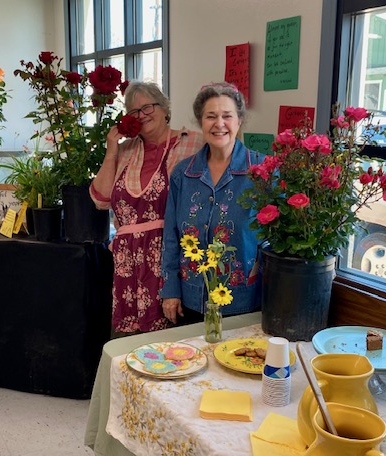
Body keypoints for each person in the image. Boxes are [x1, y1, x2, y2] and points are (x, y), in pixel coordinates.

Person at [89, 81, 204, 336]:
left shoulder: (195, 143)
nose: (142, 115)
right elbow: (100, 198)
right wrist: (111, 151)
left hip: (171, 261)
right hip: (128, 265)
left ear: (164, 108)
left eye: (148, 107)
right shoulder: (125, 151)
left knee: (169, 344)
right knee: (130, 345)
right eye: (134, 111)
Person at [160, 82, 265, 325]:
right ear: (200, 121)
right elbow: (171, 237)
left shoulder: (262, 173)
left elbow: (276, 240)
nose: (219, 124)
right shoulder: (183, 175)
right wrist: (171, 291)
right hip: (191, 300)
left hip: (246, 303)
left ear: (239, 120)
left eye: (227, 116)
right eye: (211, 116)